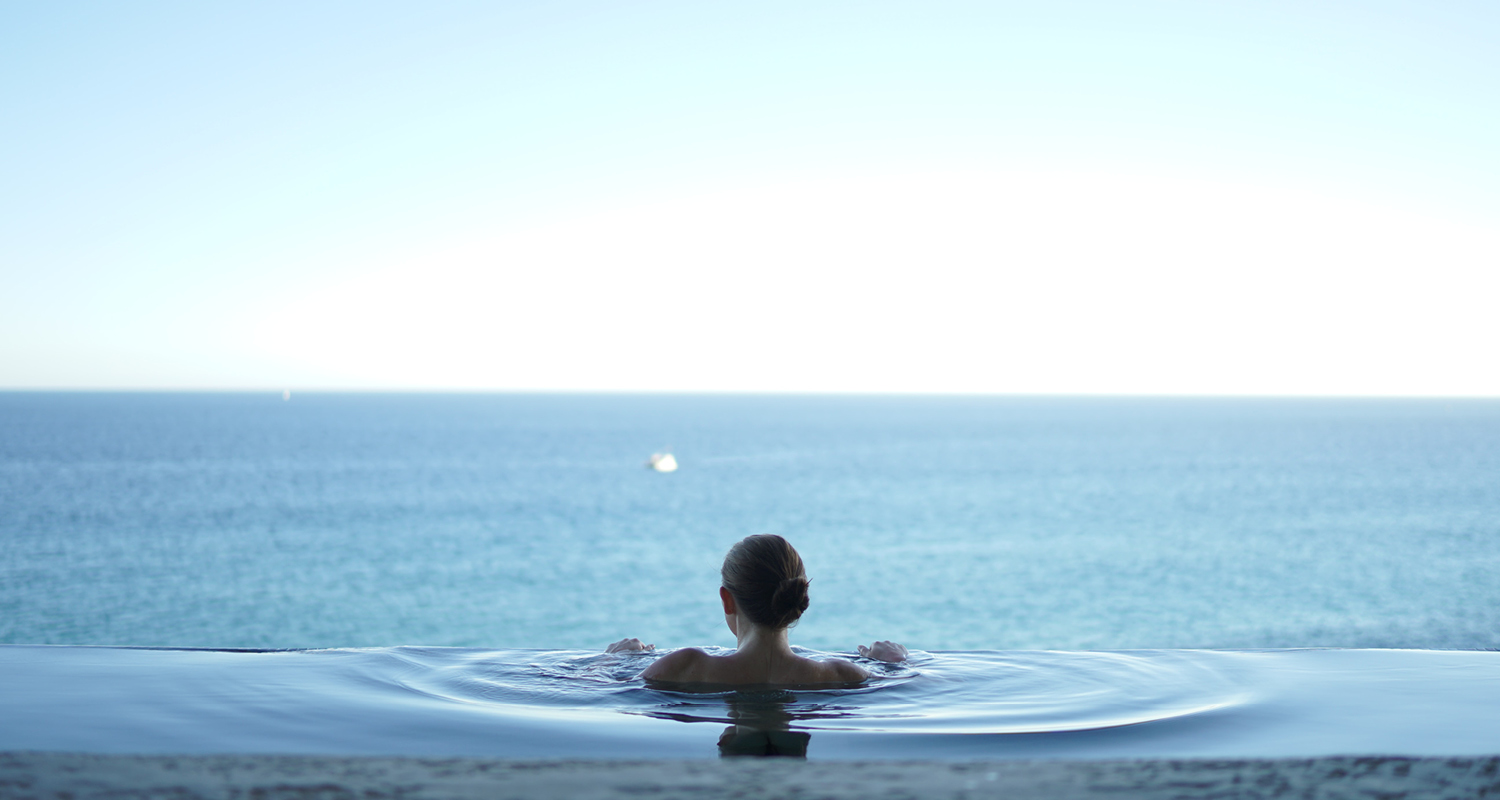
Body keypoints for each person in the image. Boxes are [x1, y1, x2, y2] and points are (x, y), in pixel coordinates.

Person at [607, 534, 907, 685]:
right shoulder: (841, 675)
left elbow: (594, 687)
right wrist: (894, 663)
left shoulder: (685, 667)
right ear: (798, 599)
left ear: (727, 600)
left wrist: (614, 662)